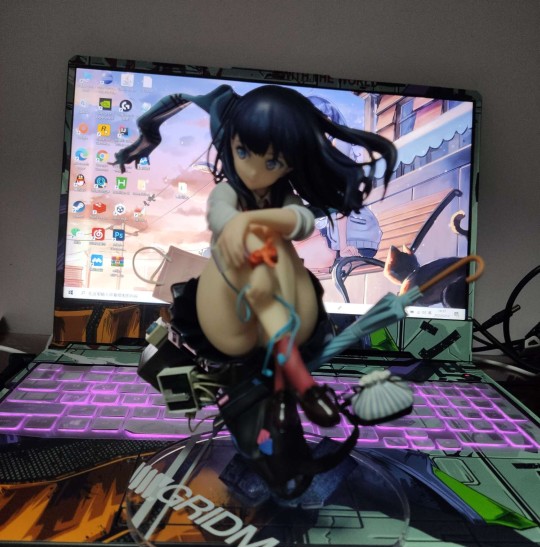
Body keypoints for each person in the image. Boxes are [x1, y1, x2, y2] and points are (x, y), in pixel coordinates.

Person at [115, 83, 396, 427]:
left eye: (273, 161)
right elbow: (180, 100)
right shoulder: (229, 181)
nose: (253, 170)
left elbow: (300, 221)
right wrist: (148, 134)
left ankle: (298, 391)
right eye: (244, 152)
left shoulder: (282, 196)